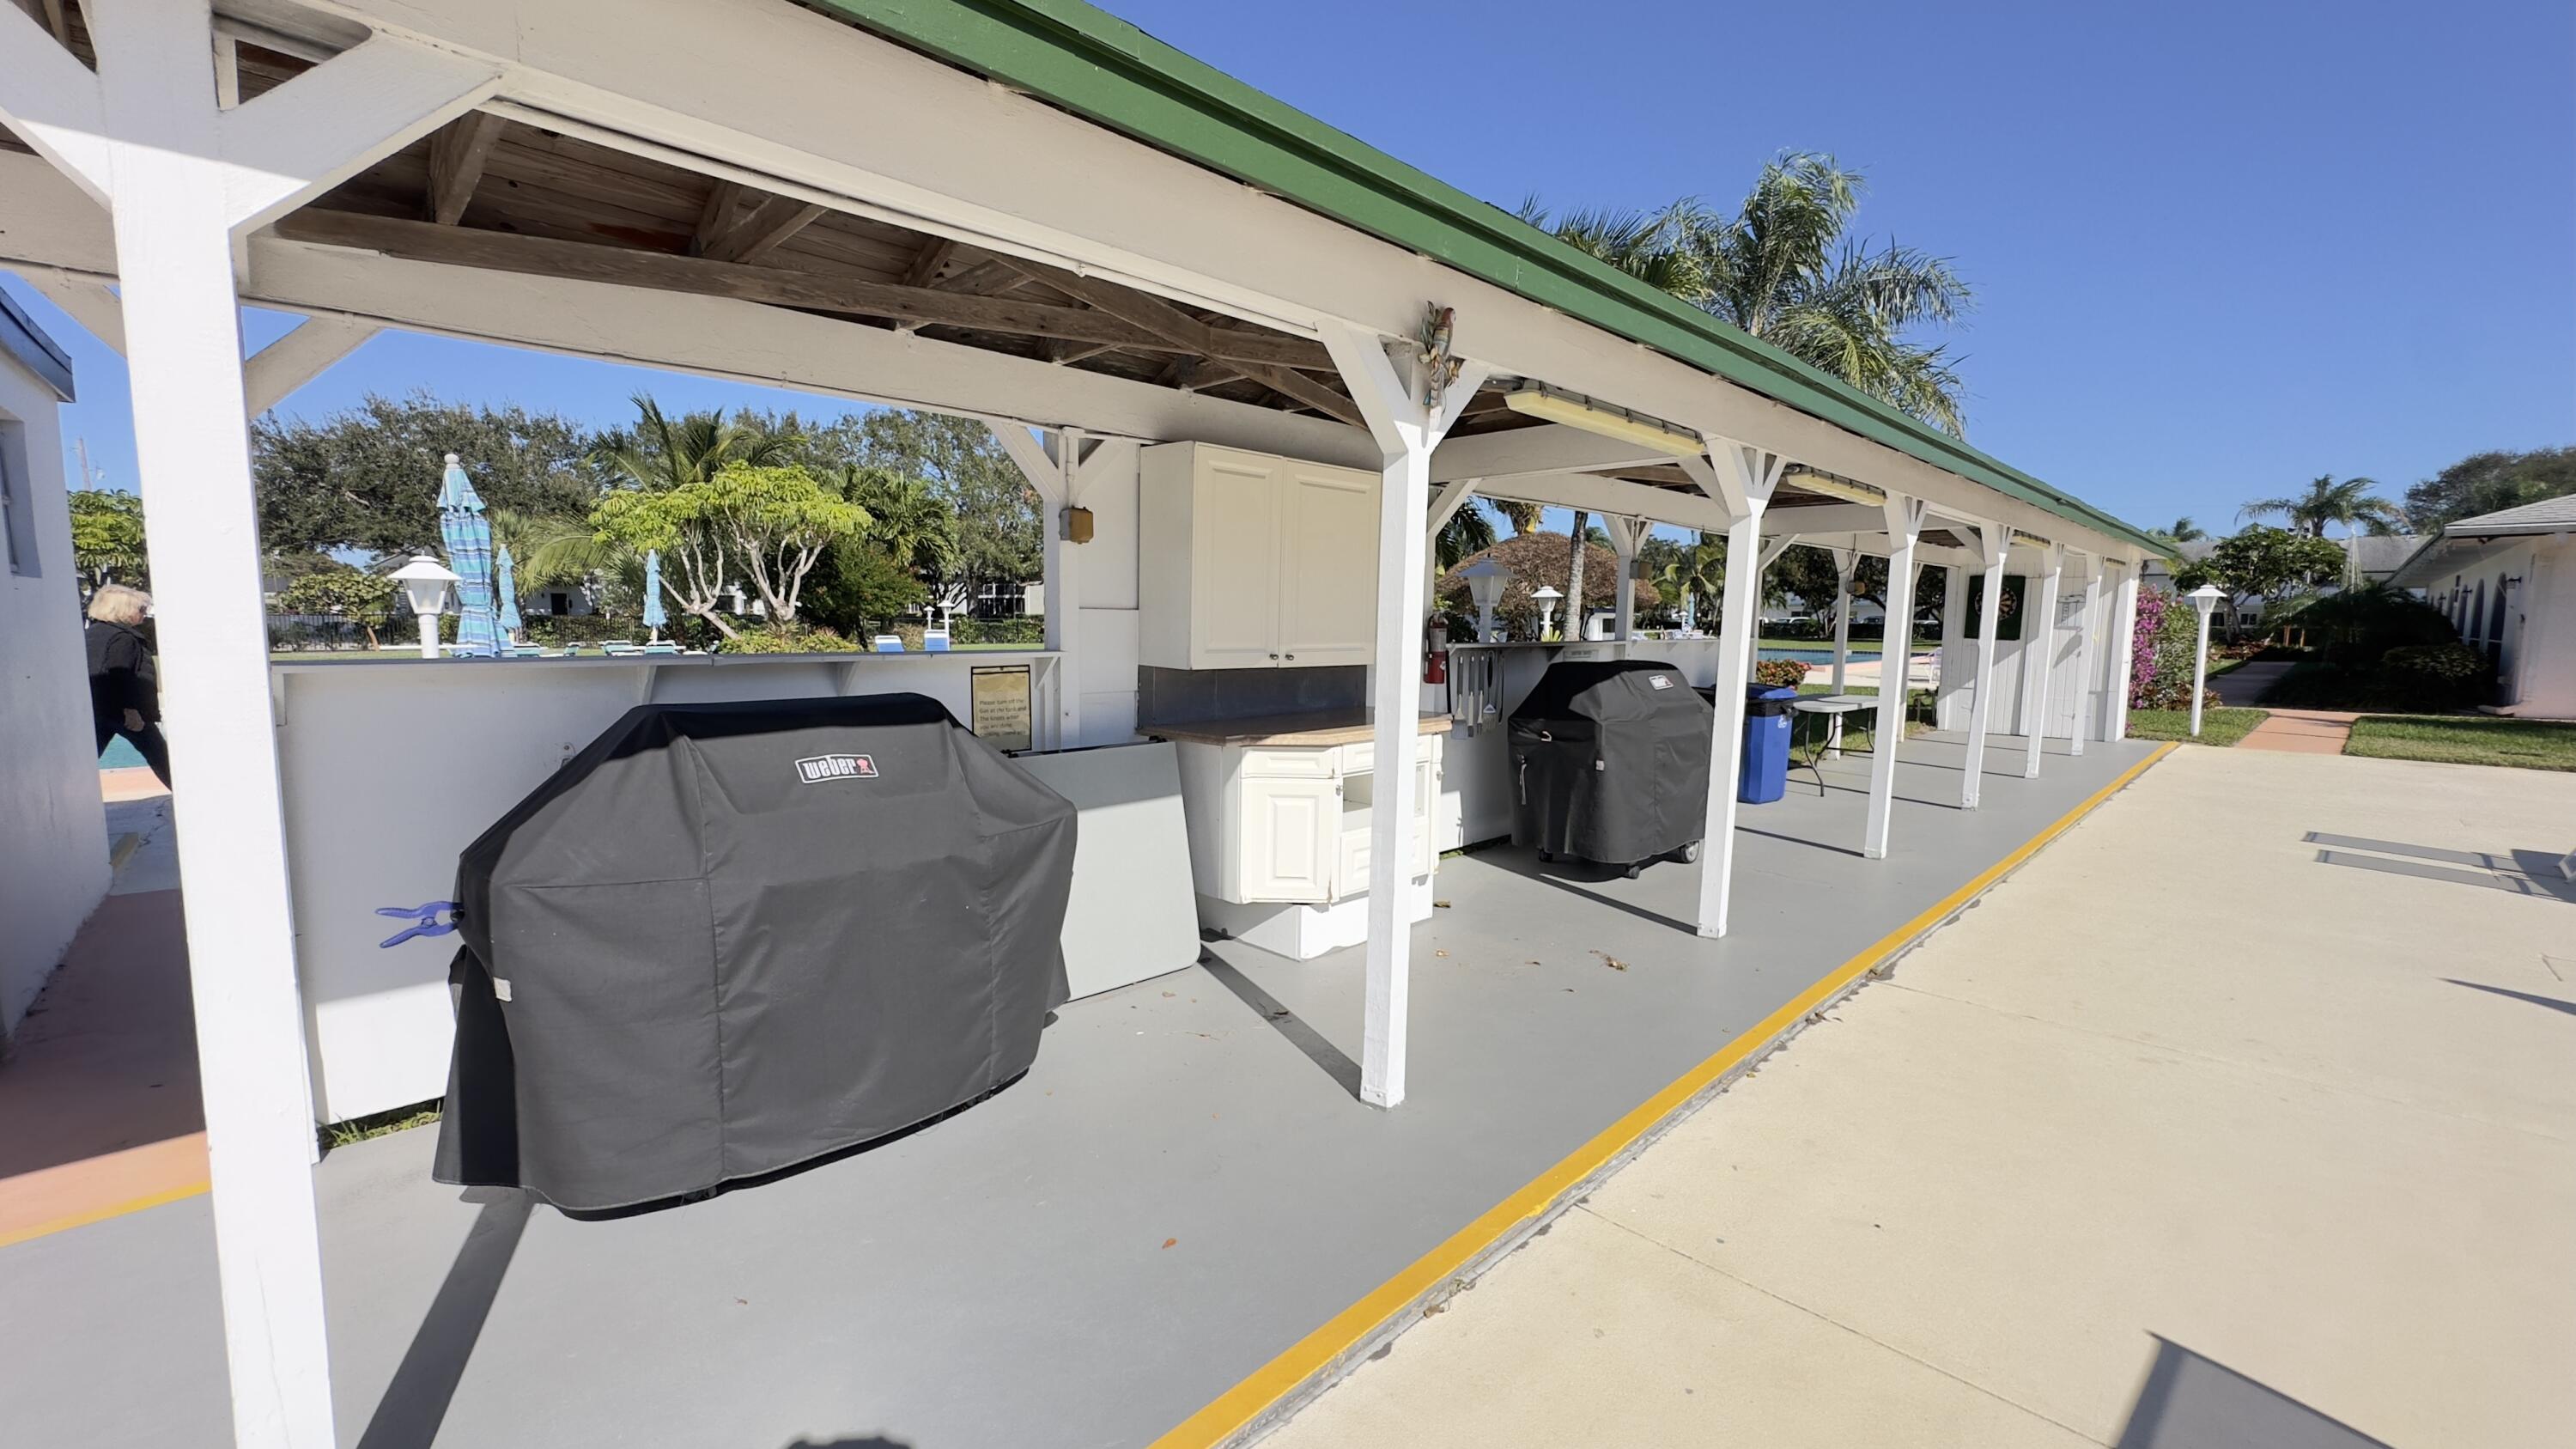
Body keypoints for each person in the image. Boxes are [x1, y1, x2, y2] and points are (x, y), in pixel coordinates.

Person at [86, 583, 170, 787]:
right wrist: (131, 710)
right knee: (161, 758)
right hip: (127, 714)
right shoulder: (123, 638)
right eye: (140, 608)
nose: (144, 613)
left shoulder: (91, 635)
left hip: (98, 710)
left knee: (85, 759)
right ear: (122, 609)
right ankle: (190, 798)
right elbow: (120, 676)